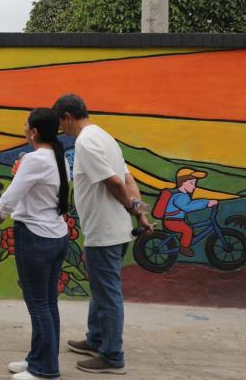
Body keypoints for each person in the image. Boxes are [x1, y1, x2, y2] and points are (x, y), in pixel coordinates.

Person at [52, 94, 153, 375]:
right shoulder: (104, 136)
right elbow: (128, 178)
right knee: (101, 287)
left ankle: (112, 356)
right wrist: (141, 213)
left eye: (62, 125)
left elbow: (113, 181)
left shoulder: (85, 141)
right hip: (117, 229)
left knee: (108, 294)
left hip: (104, 231)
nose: (63, 131)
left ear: (68, 117)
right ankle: (95, 339)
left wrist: (132, 207)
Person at [0, 108, 70, 380]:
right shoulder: (59, 158)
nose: (23, 127)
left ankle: (45, 370)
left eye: (26, 124)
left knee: (38, 304)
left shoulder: (35, 160)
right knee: (47, 303)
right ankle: (38, 360)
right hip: (56, 235)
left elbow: (9, 197)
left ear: (33, 132)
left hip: (35, 237)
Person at [162, 168, 218, 257]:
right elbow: (188, 207)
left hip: (177, 220)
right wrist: (207, 203)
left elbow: (190, 204)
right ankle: (184, 248)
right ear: (183, 182)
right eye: (191, 183)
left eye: (194, 183)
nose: (194, 186)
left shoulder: (183, 195)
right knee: (187, 230)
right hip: (172, 221)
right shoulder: (179, 196)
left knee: (190, 227)